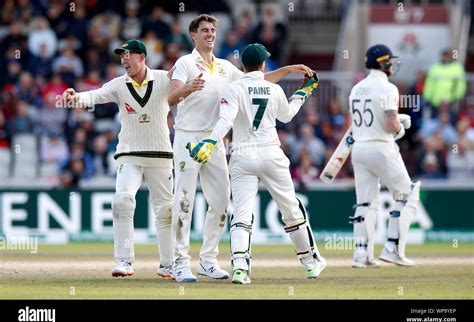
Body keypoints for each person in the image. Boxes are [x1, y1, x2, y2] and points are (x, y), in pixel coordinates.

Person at [168, 14, 315, 282]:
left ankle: (208, 260)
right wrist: (188, 88)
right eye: (204, 30)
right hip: (188, 139)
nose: (210, 34)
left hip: (216, 141)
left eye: (213, 30)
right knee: (184, 200)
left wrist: (289, 69)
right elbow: (171, 97)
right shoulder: (185, 63)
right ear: (194, 35)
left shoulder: (225, 67)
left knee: (222, 202)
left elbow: (257, 78)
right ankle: (179, 263)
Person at [63, 39, 174, 278]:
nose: (124, 59)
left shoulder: (164, 78)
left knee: (165, 210)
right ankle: (124, 261)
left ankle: (168, 264)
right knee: (122, 202)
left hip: (161, 153)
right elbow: (96, 95)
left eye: (129, 54)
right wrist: (76, 97)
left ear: (142, 57)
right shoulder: (119, 84)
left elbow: (185, 80)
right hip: (129, 153)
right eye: (121, 55)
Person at [349, 44, 420, 268]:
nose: (392, 65)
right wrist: (400, 127)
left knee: (365, 202)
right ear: (382, 63)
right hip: (381, 146)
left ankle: (362, 255)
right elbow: (390, 124)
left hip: (359, 148)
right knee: (407, 194)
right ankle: (392, 248)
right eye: (389, 61)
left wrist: (396, 119)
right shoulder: (388, 88)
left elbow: (371, 117)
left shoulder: (357, 88)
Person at [423, 49, 466, 116]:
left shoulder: (457, 67)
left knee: (450, 119)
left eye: (447, 56)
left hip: (450, 100)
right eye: (444, 56)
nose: (445, 58)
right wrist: (427, 97)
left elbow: (461, 83)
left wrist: (458, 96)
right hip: (436, 100)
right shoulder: (435, 67)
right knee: (435, 120)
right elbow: (429, 83)